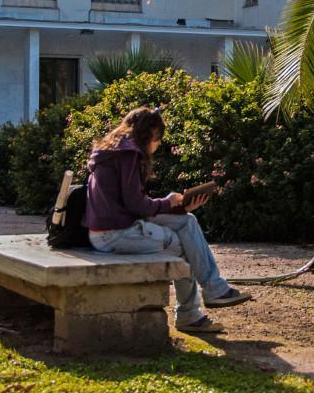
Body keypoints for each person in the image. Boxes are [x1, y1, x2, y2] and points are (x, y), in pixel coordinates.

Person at [83, 106, 251, 334]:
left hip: (112, 228)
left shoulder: (114, 149)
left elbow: (131, 205)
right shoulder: (129, 154)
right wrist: (168, 202)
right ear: (148, 133)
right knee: (183, 246)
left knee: (187, 221)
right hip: (114, 235)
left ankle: (214, 290)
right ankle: (191, 314)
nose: (159, 143)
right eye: (158, 137)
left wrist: (180, 208)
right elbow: (135, 205)